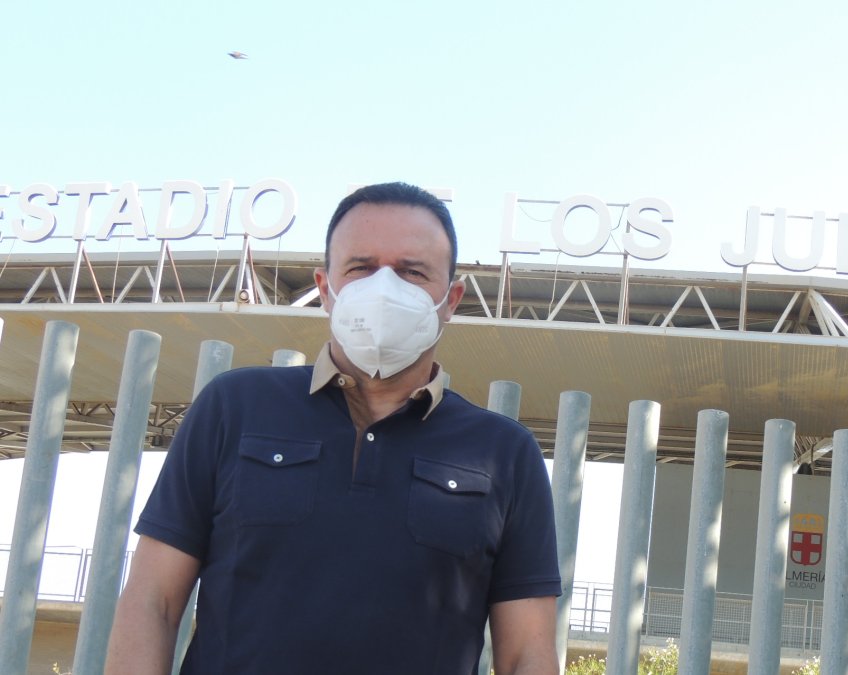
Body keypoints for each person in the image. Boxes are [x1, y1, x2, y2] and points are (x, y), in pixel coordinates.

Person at [106, 182, 561, 674]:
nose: (384, 290)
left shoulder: (504, 453)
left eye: (412, 272)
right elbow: (153, 600)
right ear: (326, 289)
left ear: (450, 299)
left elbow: (526, 653)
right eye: (361, 268)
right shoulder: (234, 406)